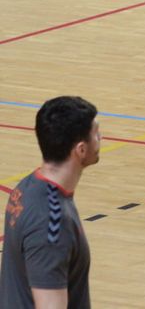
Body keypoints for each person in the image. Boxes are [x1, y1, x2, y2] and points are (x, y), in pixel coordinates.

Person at [0, 96, 101, 309]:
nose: (101, 138)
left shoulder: (27, 186)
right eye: (96, 133)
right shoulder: (51, 224)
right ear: (81, 150)